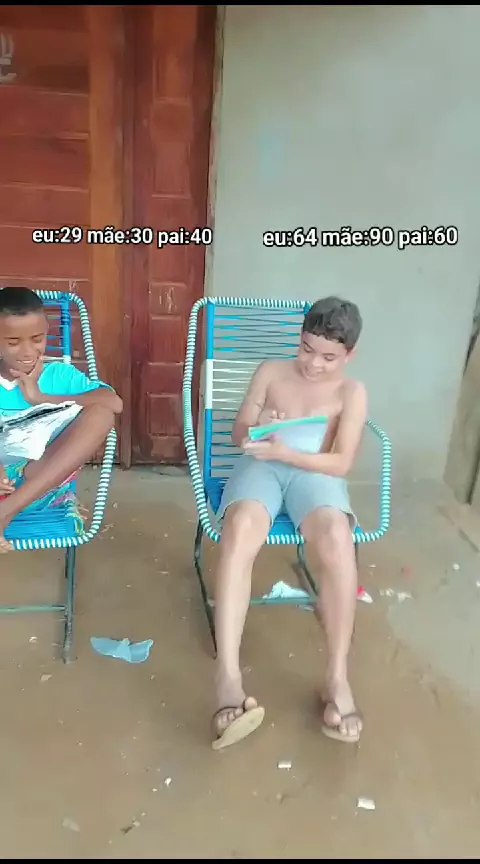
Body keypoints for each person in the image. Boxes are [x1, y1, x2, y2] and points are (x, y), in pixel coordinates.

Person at [211, 296, 368, 750]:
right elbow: (239, 434)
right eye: (306, 348)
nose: (313, 364)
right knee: (241, 528)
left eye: (328, 357)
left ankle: (337, 677)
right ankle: (227, 677)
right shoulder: (271, 372)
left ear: (349, 354)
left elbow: (340, 463)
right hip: (261, 467)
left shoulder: (351, 392)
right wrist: (258, 427)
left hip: (313, 473)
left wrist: (288, 452)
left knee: (338, 536)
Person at [0, 286, 122, 552]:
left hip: (38, 487)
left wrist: (40, 398)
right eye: (13, 342)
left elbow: (114, 403)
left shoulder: (59, 376)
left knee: (101, 414)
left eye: (37, 339)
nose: (27, 351)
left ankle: (6, 513)